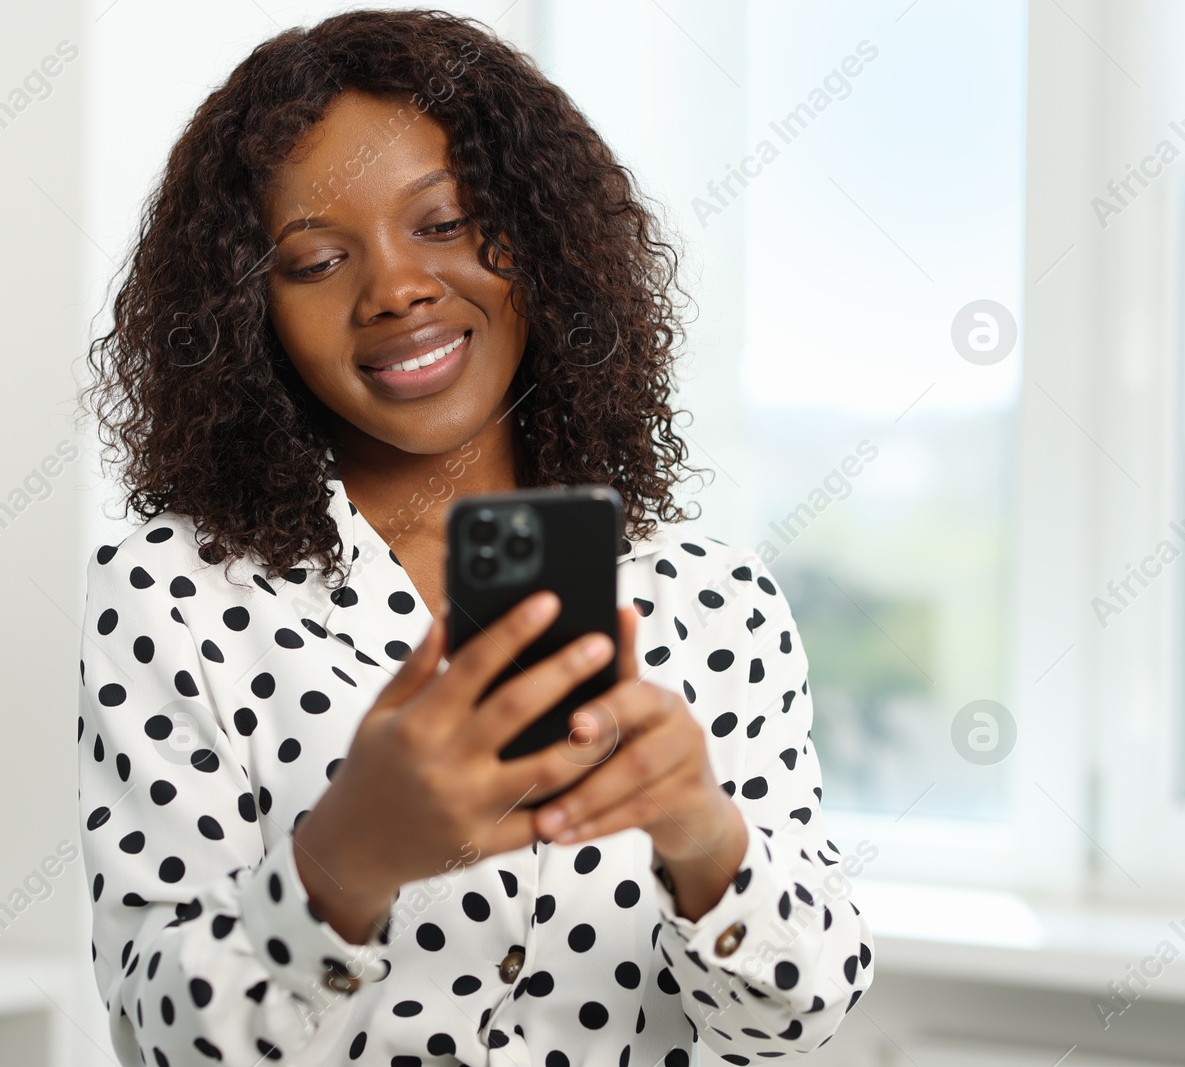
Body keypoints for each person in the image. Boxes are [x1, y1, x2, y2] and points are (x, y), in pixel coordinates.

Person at [76, 9, 873, 1066]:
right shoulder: (169, 594)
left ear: (540, 241)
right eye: (315, 260)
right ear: (247, 314)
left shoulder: (713, 601)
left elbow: (797, 1021)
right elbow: (163, 1036)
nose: (395, 287)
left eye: (444, 222)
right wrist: (342, 864)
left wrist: (699, 831)